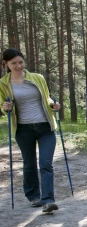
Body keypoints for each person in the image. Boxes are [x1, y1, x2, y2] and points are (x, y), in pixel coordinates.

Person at [0, 48, 61, 213]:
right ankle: (33, 196)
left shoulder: (37, 78)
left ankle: (48, 200)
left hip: (45, 126)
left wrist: (53, 105)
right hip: (23, 129)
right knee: (29, 164)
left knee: (46, 163)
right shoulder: (3, 83)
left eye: (20, 62)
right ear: (6, 64)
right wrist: (5, 107)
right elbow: (3, 105)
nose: (18, 66)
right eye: (14, 63)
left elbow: (47, 96)